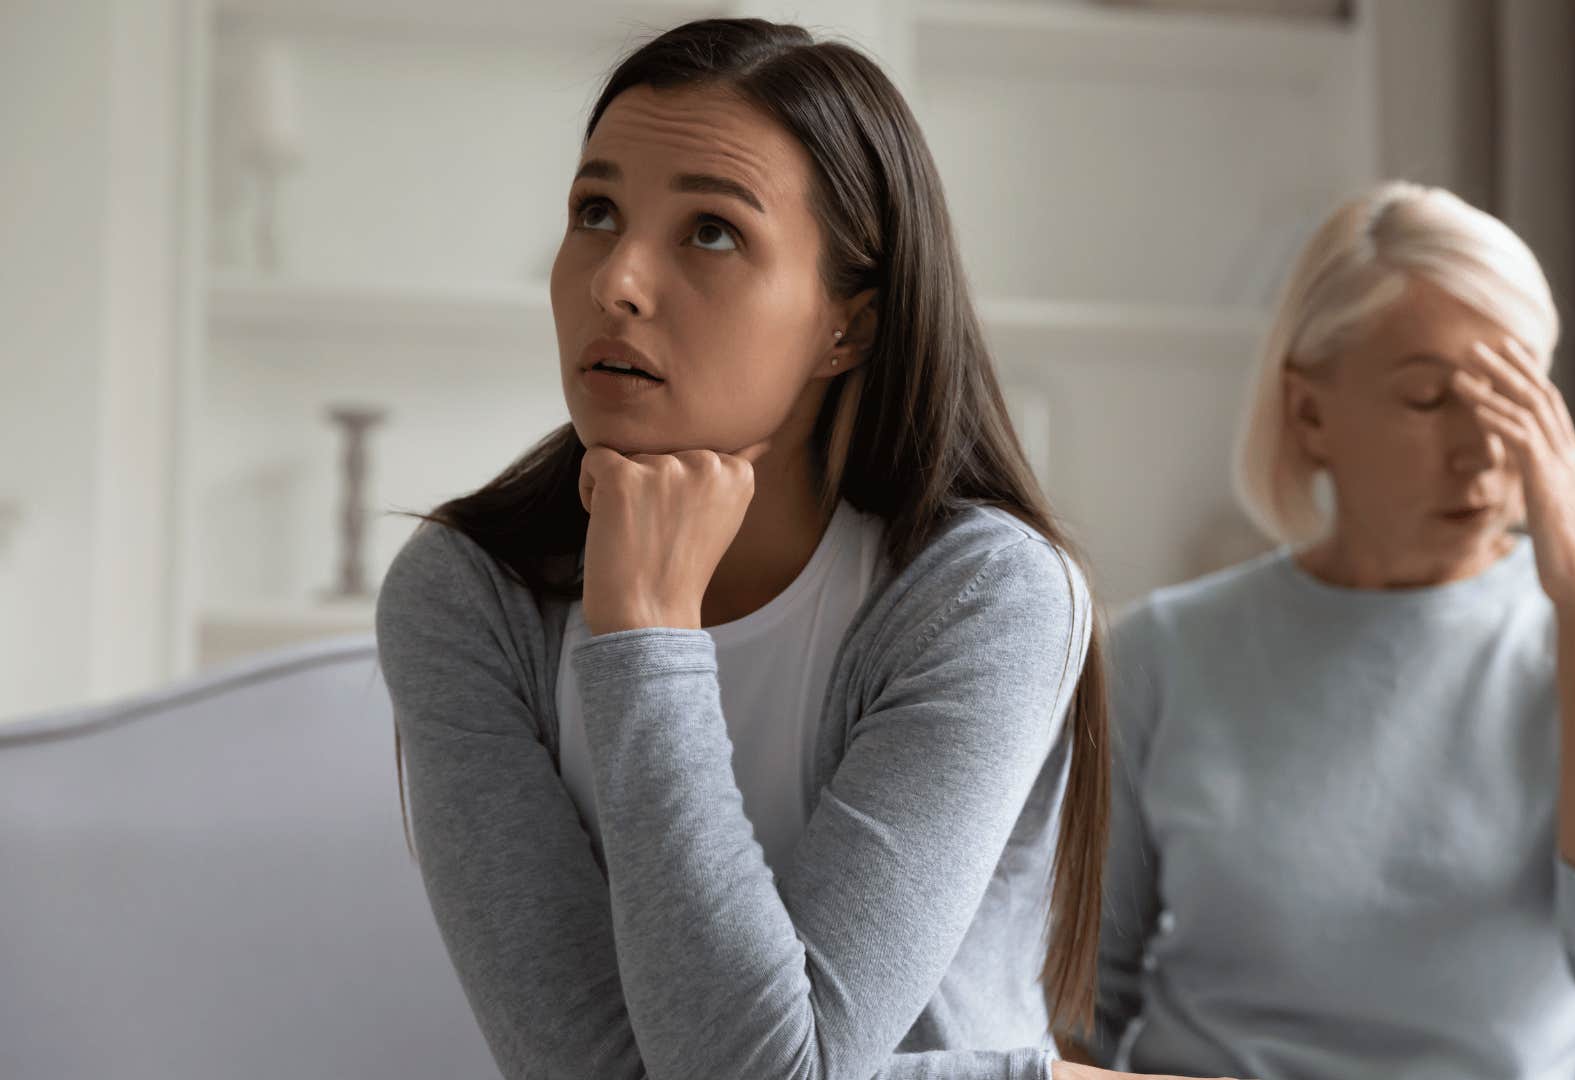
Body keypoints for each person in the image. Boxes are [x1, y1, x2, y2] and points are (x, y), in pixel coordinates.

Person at [375, 19, 1203, 1080]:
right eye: (596, 212)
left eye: (710, 232)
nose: (615, 280)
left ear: (846, 328)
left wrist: (646, 640)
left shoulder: (983, 597)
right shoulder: (466, 594)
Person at [1088, 181, 1575, 1079]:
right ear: (1310, 415)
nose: (1483, 450)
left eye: (1515, 396)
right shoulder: (1158, 656)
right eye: (1429, 399)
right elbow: (1078, 1003)